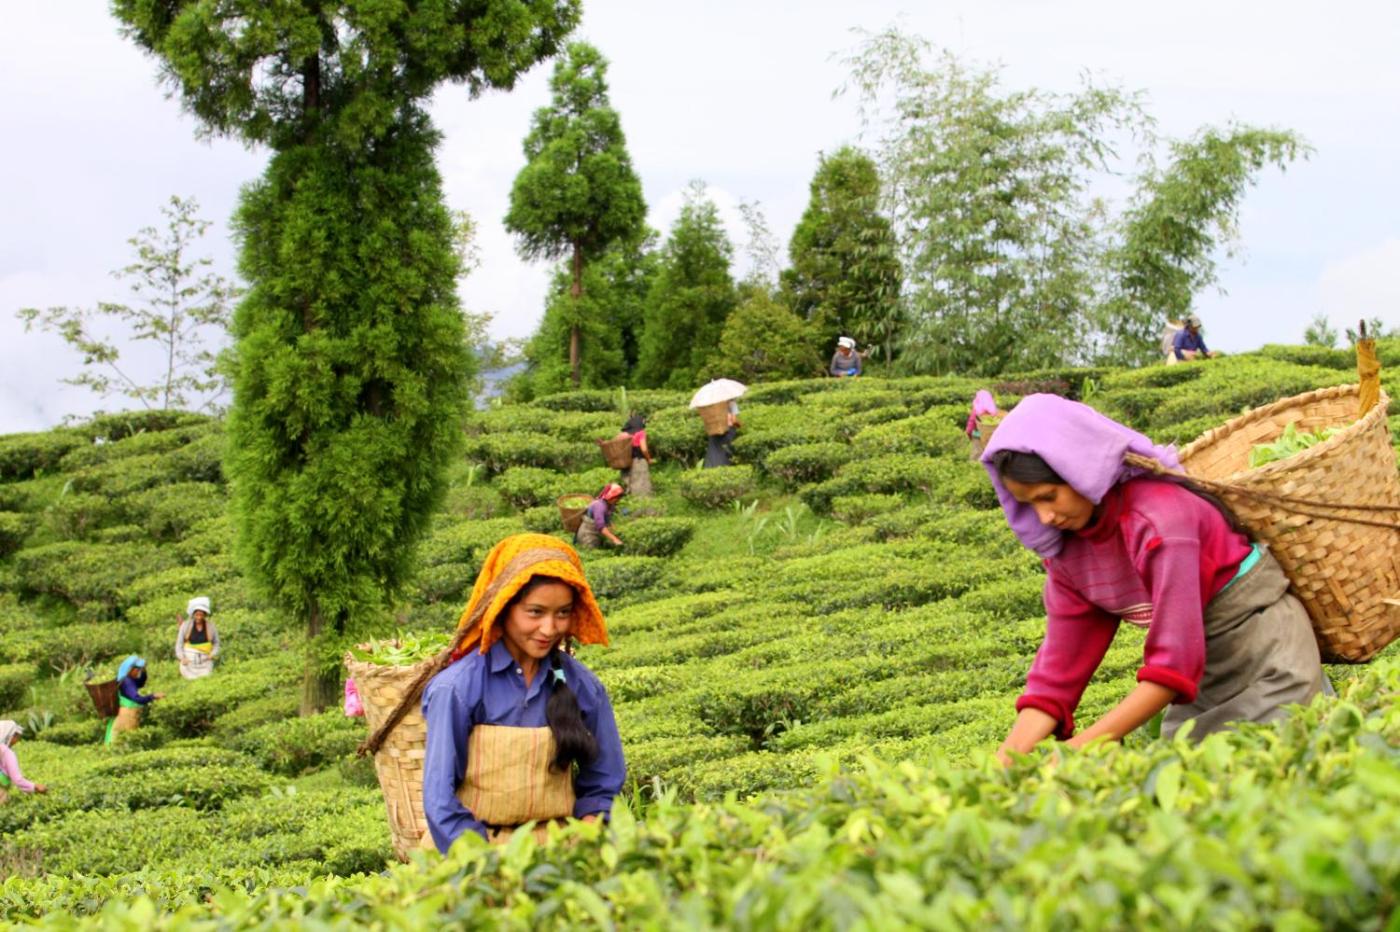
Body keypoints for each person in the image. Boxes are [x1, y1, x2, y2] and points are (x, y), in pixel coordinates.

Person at [980, 393, 1329, 764]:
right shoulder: (1070, 553)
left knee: (1274, 771)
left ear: (1079, 467)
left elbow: (1172, 665)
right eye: (1030, 504)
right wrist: (1005, 765)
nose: (1045, 517)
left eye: (1049, 496)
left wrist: (1079, 750)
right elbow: (1057, 677)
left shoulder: (1161, 519)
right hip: (1203, 677)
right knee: (1191, 781)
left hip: (1266, 655)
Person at [421, 533, 625, 853]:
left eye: (562, 613)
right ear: (503, 607)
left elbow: (603, 781)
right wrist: (482, 863)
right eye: (535, 612)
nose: (549, 628)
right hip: (473, 852)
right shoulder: (457, 689)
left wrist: (585, 841)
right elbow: (439, 798)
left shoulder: (583, 686)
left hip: (560, 850)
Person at [106, 655, 164, 745]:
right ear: (131, 670)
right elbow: (137, 699)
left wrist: (144, 670)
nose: (138, 672)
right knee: (122, 740)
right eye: (138, 670)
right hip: (126, 714)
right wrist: (153, 696)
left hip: (128, 712)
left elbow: (141, 682)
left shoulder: (130, 679)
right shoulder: (126, 682)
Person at [175, 596, 221, 680]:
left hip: (205, 662)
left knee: (205, 679)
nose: (199, 617)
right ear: (193, 614)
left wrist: (212, 654)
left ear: (205, 615)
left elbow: (216, 643)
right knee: (189, 678)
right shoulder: (185, 626)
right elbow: (179, 644)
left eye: (201, 615)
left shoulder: (211, 627)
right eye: (197, 615)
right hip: (188, 662)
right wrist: (182, 658)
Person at [0, 721, 47, 800]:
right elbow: (18, 780)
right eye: (17, 736)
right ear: (10, 735)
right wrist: (35, 786)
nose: (18, 740)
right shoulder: (7, 752)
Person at [574, 483, 625, 549]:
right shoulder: (599, 505)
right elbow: (601, 526)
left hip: (597, 533)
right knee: (590, 550)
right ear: (610, 496)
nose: (617, 501)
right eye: (616, 498)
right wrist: (615, 539)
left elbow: (608, 520)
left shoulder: (609, 505)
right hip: (588, 534)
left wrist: (615, 530)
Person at [620, 413, 655, 498]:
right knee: (640, 484)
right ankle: (643, 504)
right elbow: (644, 449)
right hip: (638, 461)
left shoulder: (623, 434)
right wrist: (649, 459)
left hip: (625, 462)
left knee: (629, 484)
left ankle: (631, 502)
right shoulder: (640, 433)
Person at [703, 400, 740, 468]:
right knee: (726, 450)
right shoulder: (732, 402)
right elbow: (734, 420)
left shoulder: (712, 403)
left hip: (714, 430)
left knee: (714, 451)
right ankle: (726, 468)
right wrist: (739, 424)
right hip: (728, 430)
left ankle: (711, 468)